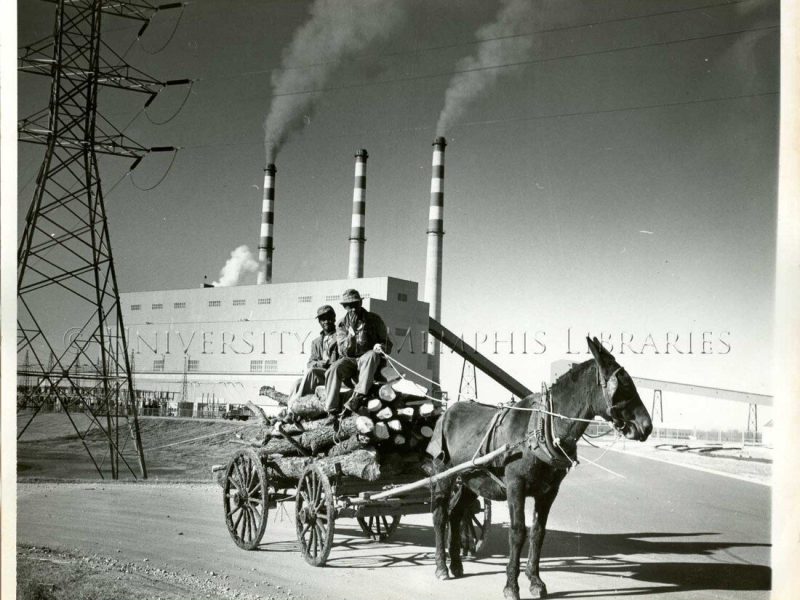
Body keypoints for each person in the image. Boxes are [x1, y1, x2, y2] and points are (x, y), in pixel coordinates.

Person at [324, 289, 393, 419]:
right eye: (349, 306)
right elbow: (342, 350)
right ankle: (331, 409)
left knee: (371, 355)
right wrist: (351, 336)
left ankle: (359, 396)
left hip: (368, 358)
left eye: (356, 304)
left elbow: (388, 344)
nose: (353, 309)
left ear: (361, 303)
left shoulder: (374, 320)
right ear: (344, 307)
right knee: (333, 369)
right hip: (350, 359)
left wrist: (381, 346)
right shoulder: (341, 324)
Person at [288, 305, 339, 402]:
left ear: (334, 318)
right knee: (297, 384)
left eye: (329, 318)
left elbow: (344, 359)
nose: (326, 322)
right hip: (319, 375)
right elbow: (310, 363)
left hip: (333, 375)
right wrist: (320, 363)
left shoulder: (340, 337)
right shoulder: (316, 342)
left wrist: (328, 364)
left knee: (312, 372)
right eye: (323, 320)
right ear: (319, 322)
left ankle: (296, 405)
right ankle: (290, 409)